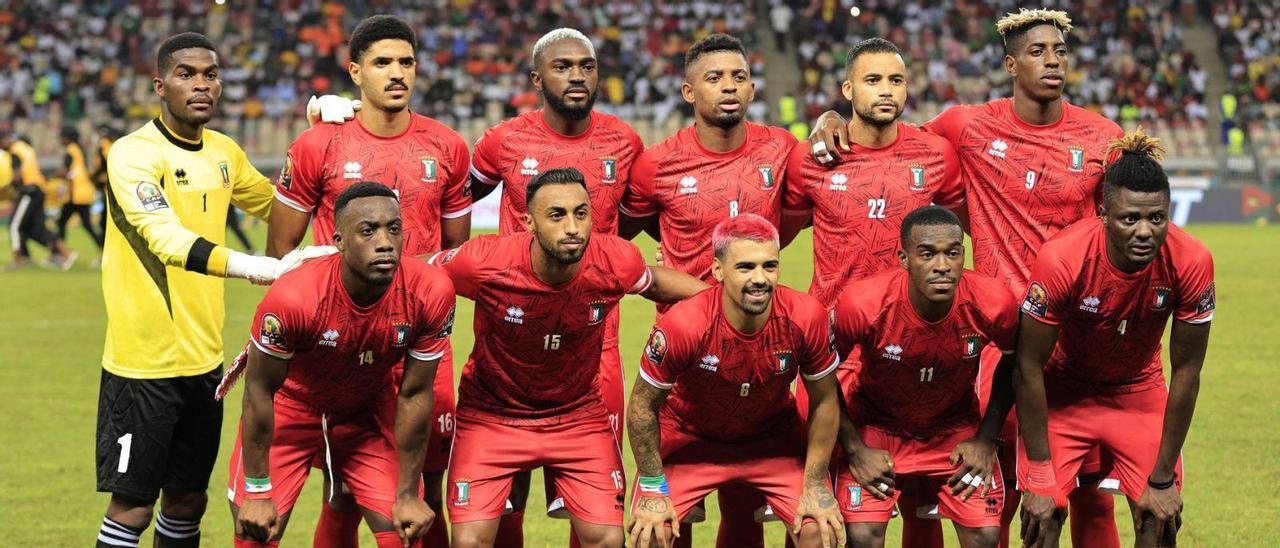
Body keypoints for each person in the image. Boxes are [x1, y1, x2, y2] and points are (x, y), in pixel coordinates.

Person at [807, 10, 1125, 546]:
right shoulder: (967, 126)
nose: (1052, 60)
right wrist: (830, 120)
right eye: (1037, 51)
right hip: (994, 335)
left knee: (1089, 496)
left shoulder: (1103, 137)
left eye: (1060, 51)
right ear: (1009, 64)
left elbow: (1118, 239)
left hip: (1071, 342)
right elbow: (888, 138)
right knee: (985, 489)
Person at [269, 15, 473, 548]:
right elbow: (281, 255)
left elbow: (452, 254)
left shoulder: (447, 146)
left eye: (406, 62)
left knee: (426, 487)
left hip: (421, 338)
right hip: (341, 341)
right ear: (355, 72)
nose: (397, 73)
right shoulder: (319, 145)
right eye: (382, 62)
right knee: (339, 488)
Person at [428, 168, 707, 548]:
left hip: (577, 416)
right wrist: (334, 263)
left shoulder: (614, 259)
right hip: (492, 417)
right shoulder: (484, 260)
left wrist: (720, 304)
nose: (573, 226)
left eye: (581, 213)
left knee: (606, 540)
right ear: (528, 221)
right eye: (557, 215)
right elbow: (414, 271)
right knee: (470, 542)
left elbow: (654, 282)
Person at [94, 32, 296, 548]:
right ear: (160, 85)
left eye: (210, 74)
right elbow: (165, 239)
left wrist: (321, 144)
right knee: (134, 506)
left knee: (188, 501)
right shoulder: (134, 153)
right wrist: (253, 266)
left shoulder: (224, 151)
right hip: (144, 366)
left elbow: (283, 203)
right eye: (186, 74)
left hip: (205, 363)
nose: (201, 84)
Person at [618, 33, 799, 545]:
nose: (729, 87)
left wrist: (830, 121)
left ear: (752, 87)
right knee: (670, 524)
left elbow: (797, 218)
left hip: (757, 347)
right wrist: (669, 278)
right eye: (714, 78)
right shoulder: (657, 164)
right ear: (688, 91)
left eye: (739, 77)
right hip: (683, 353)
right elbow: (619, 241)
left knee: (744, 512)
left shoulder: (780, 148)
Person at [467, 27, 645, 546]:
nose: (576, 76)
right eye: (562, 66)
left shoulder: (624, 142)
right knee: (504, 500)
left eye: (586, 66)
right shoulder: (505, 140)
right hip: (508, 341)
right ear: (536, 78)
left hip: (595, 343)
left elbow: (630, 223)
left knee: (591, 507)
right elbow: (450, 202)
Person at [1014, 130, 1214, 548]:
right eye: (1130, 219)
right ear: (1104, 213)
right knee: (1042, 513)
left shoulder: (1191, 261)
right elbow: (1028, 364)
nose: (1145, 232)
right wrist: (1039, 471)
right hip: (1063, 393)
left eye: (1156, 218)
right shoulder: (1064, 258)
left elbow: (1188, 372)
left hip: (1137, 393)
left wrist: (1162, 479)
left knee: (1159, 518)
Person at [229, 182, 456, 548]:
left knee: (405, 529)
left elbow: (414, 393)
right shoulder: (295, 297)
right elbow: (259, 389)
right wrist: (256, 491)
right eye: (368, 230)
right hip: (291, 409)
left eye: (394, 229)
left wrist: (409, 492)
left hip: (367, 411)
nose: (385, 242)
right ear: (338, 240)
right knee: (254, 532)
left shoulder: (430, 291)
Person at [626, 214, 845, 548]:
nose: (760, 278)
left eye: (769, 266)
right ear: (718, 271)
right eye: (745, 268)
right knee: (651, 534)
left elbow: (826, 399)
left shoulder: (806, 316)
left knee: (821, 532)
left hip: (772, 439)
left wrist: (815, 483)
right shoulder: (684, 324)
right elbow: (642, 404)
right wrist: (654, 489)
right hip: (689, 440)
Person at [831, 206, 1018, 548]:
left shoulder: (993, 302)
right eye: (928, 254)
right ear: (903, 258)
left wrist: (986, 439)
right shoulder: (863, 304)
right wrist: (855, 449)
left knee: (985, 537)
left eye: (953, 253)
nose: (942, 266)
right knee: (863, 537)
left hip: (955, 432)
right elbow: (821, 373)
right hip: (876, 430)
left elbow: (1016, 361)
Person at [4, 131, 76, 270]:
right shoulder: (27, 149)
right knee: (35, 229)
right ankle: (64, 253)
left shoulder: (15, 151)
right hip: (38, 190)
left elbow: (17, 176)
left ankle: (18, 261)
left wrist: (9, 188)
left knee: (14, 225)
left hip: (28, 191)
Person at [55, 126, 105, 257]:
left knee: (61, 222)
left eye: (61, 137)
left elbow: (65, 172)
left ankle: (62, 254)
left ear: (67, 138)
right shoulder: (79, 149)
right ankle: (103, 250)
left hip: (75, 193)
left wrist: (55, 175)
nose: (59, 140)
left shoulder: (70, 150)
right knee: (87, 225)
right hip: (84, 192)